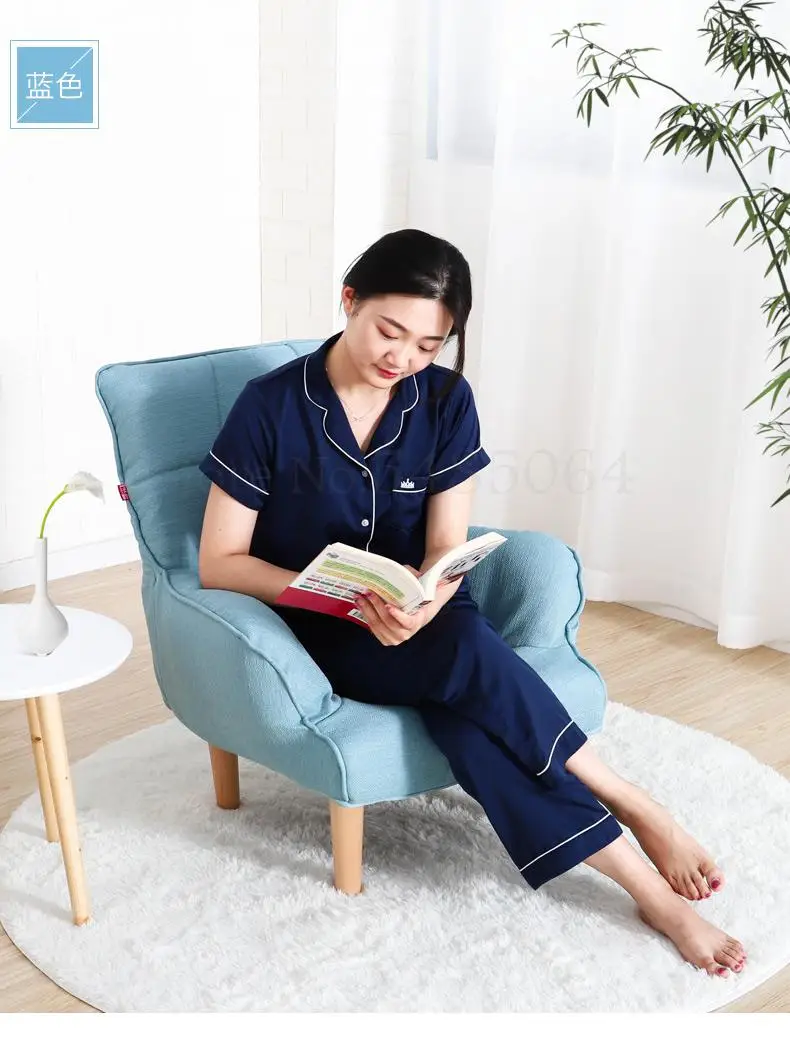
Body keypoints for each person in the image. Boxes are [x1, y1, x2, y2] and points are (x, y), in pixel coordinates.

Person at [198, 228, 746, 979]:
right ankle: (633, 802)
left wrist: (427, 597)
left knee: (468, 716)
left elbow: (444, 544)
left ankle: (651, 894)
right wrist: (338, 598)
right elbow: (219, 563)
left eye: (429, 344)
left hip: (426, 613)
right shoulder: (269, 407)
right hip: (325, 627)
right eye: (389, 331)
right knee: (463, 656)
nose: (402, 358)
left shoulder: (447, 400)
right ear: (349, 300)